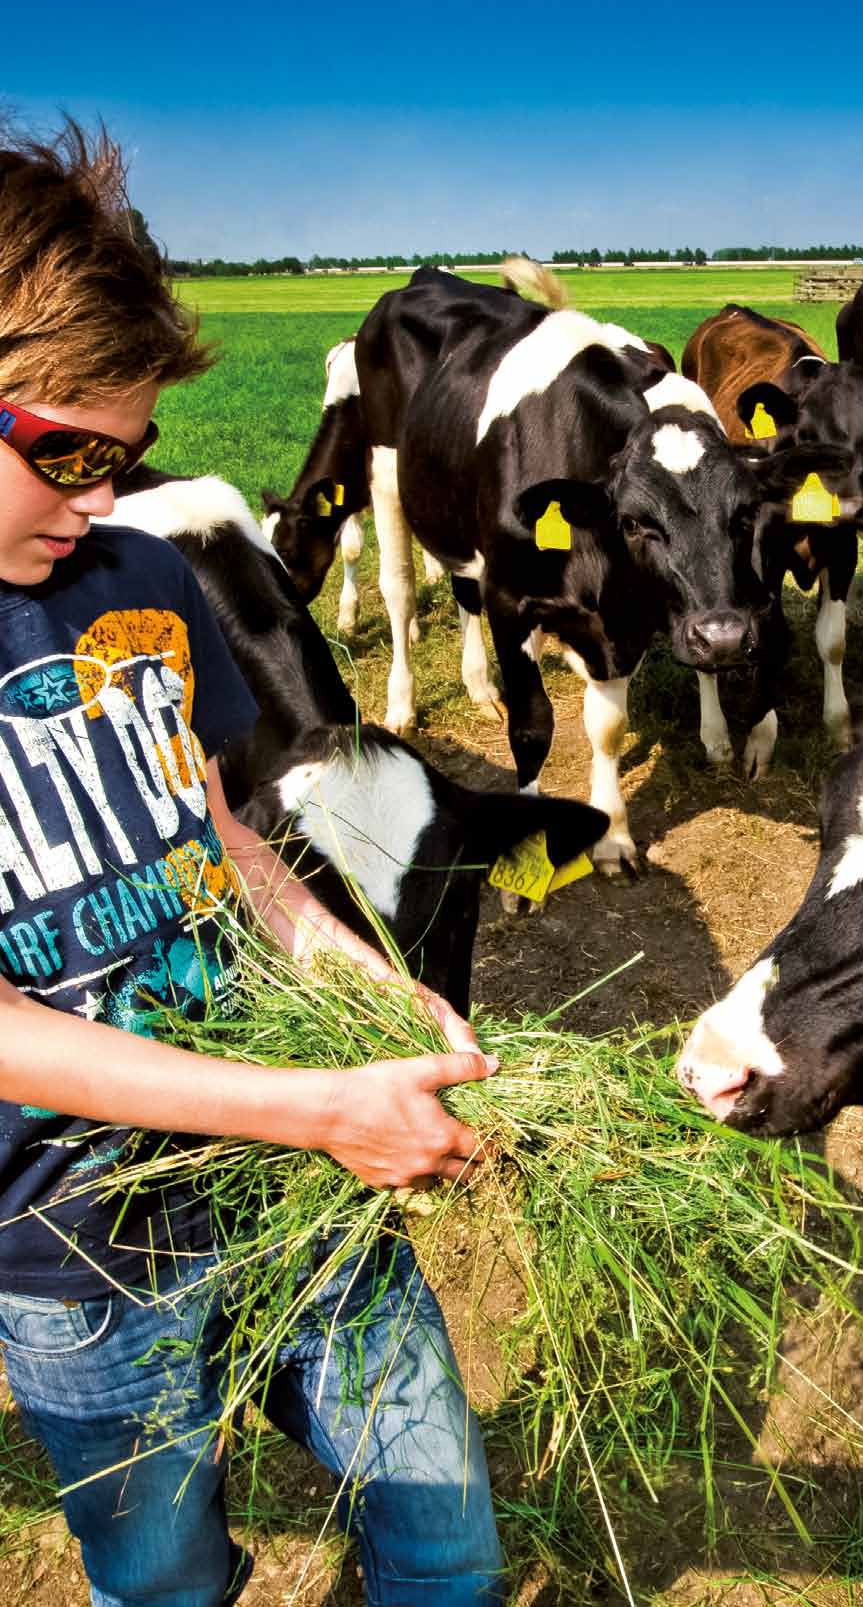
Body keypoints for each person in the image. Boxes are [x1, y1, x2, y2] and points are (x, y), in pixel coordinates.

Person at [0, 120, 505, 1606]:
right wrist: (317, 1108)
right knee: (163, 1584)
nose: (105, 494)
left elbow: (213, 833)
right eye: (70, 452)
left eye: (130, 453)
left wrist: (359, 982)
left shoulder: (144, 579)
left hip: (295, 1194)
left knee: (446, 1545)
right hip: (80, 1260)